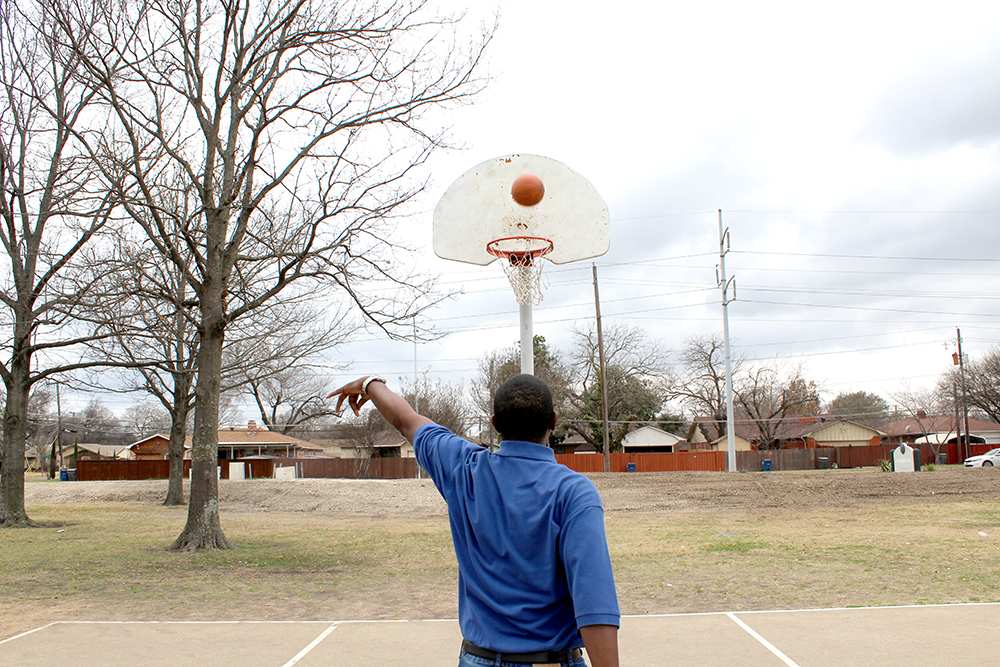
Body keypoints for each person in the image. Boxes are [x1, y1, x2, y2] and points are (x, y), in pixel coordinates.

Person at [328, 374, 620, 667]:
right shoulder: (573, 492)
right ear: (553, 421)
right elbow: (594, 604)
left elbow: (406, 420)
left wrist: (370, 384)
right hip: (551, 661)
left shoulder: (464, 468)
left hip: (477, 659)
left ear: (494, 423)